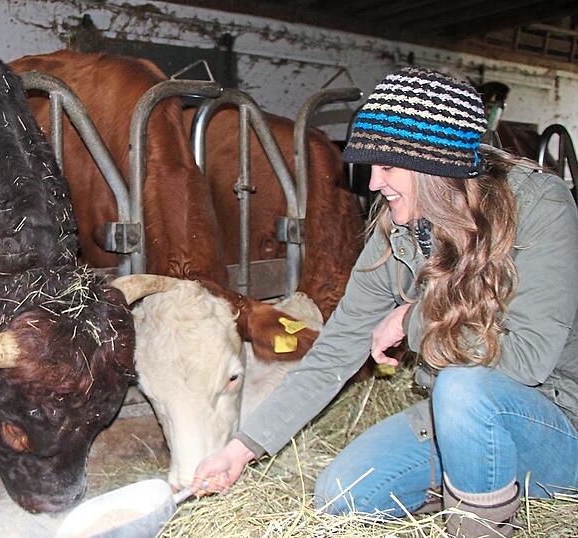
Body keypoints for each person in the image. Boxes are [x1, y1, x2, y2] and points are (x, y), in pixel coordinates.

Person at [191, 66, 578, 538]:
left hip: (557, 421)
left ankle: (478, 523)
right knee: (343, 496)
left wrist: (414, 318)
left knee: (462, 385)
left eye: (388, 166)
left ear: (435, 163)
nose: (374, 183)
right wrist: (241, 449)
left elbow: (528, 360)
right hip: (457, 418)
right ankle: (471, 479)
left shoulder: (539, 207)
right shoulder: (399, 230)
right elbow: (334, 353)